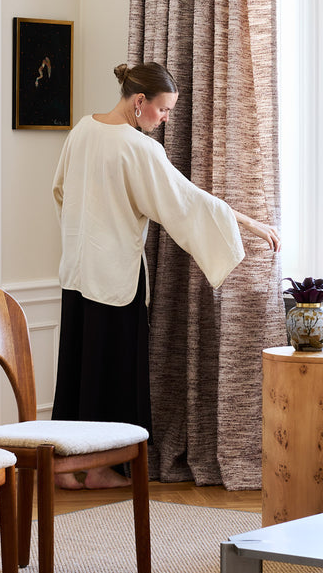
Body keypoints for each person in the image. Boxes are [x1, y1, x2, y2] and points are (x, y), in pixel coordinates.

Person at [51, 61, 280, 489]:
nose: (166, 119)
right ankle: (99, 468)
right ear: (139, 102)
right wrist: (249, 224)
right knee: (113, 371)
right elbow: (187, 202)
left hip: (76, 271)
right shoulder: (139, 149)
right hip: (116, 276)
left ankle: (63, 469)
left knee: (78, 366)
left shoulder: (82, 129)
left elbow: (60, 189)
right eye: (163, 110)